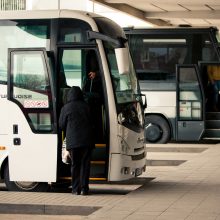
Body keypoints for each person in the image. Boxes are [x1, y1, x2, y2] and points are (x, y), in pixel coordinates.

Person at [59, 86, 94, 195]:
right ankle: (84, 189)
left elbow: (61, 125)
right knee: (85, 165)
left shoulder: (66, 108)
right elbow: (93, 123)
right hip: (87, 141)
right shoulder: (87, 107)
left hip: (73, 142)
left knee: (75, 165)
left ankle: (75, 189)